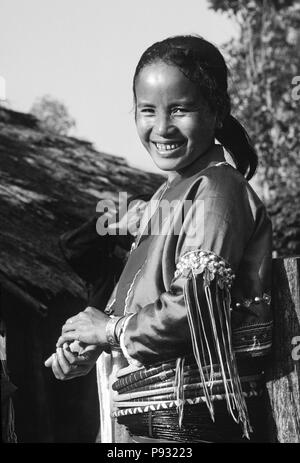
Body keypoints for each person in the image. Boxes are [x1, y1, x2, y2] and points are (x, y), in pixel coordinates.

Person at [45, 35, 273, 443]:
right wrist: (89, 346)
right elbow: (134, 302)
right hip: (153, 427)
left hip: (194, 429)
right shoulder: (165, 197)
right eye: (147, 110)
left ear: (217, 112)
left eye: (180, 109)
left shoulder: (219, 189)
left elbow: (195, 307)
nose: (162, 127)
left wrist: (110, 331)